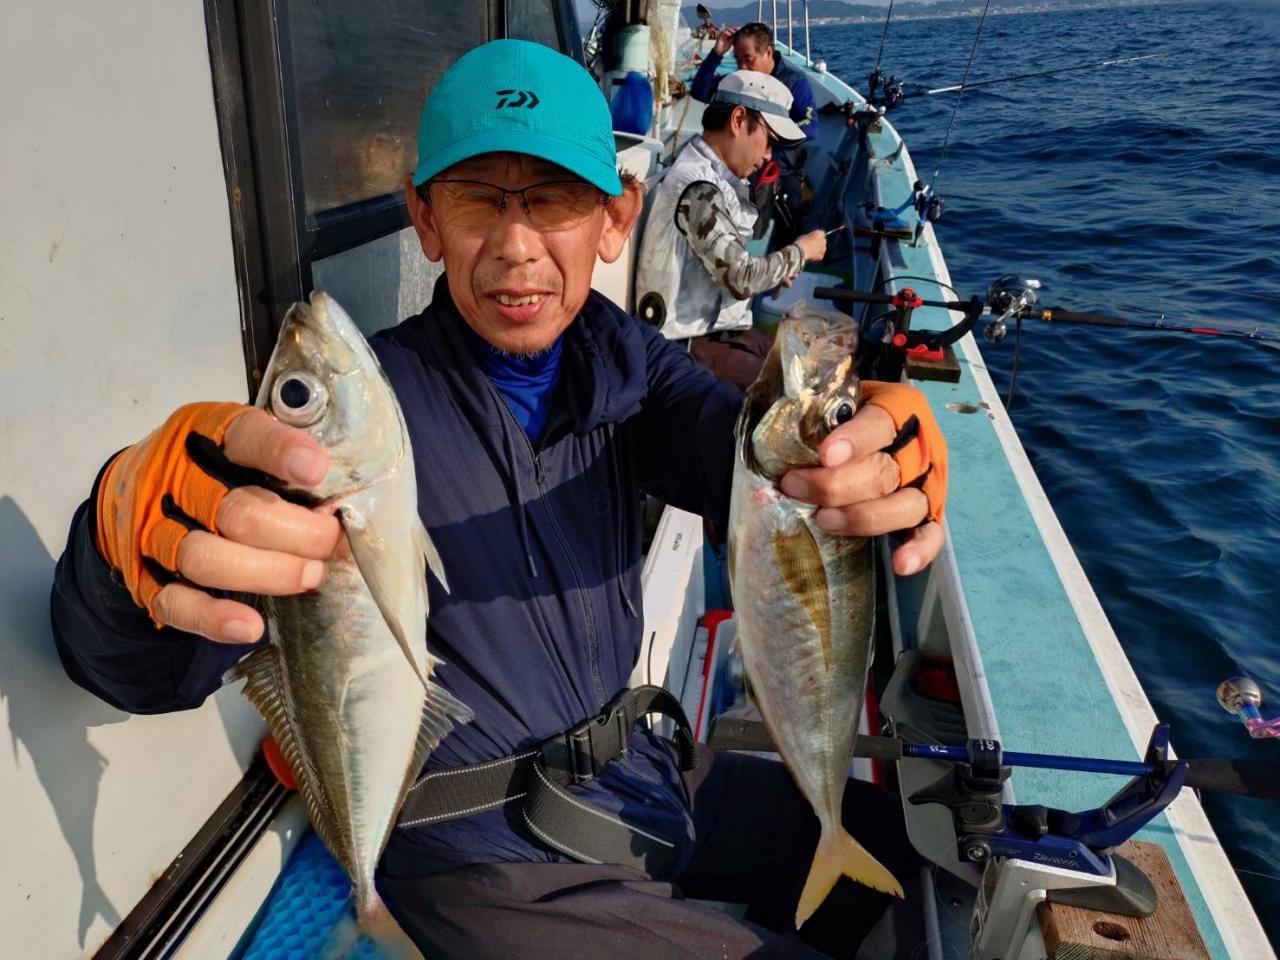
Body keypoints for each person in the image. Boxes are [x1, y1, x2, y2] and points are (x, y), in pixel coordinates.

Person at [51, 39, 947, 958]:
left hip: (640, 773)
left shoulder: (626, 361)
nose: (516, 247)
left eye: (553, 199)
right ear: (426, 219)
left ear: (614, 219)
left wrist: (853, 438)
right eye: (479, 199)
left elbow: (748, 463)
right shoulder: (352, 427)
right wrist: (119, 556)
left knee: (897, 849)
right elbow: (147, 669)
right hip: (485, 858)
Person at [636, 71, 827, 387]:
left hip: (717, 335)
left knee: (809, 365)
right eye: (769, 141)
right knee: (799, 390)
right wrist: (802, 251)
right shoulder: (698, 187)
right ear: (738, 120)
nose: (768, 155)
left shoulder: (711, 177)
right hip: (684, 348)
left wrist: (778, 272)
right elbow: (741, 279)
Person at [690, 21, 816, 242]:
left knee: (790, 222)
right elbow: (700, 91)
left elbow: (811, 126)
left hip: (782, 170)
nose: (742, 67)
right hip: (742, 167)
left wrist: (769, 138)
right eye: (738, 60)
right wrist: (717, 54)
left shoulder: (795, 82)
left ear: (768, 52)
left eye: (748, 59)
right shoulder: (739, 81)